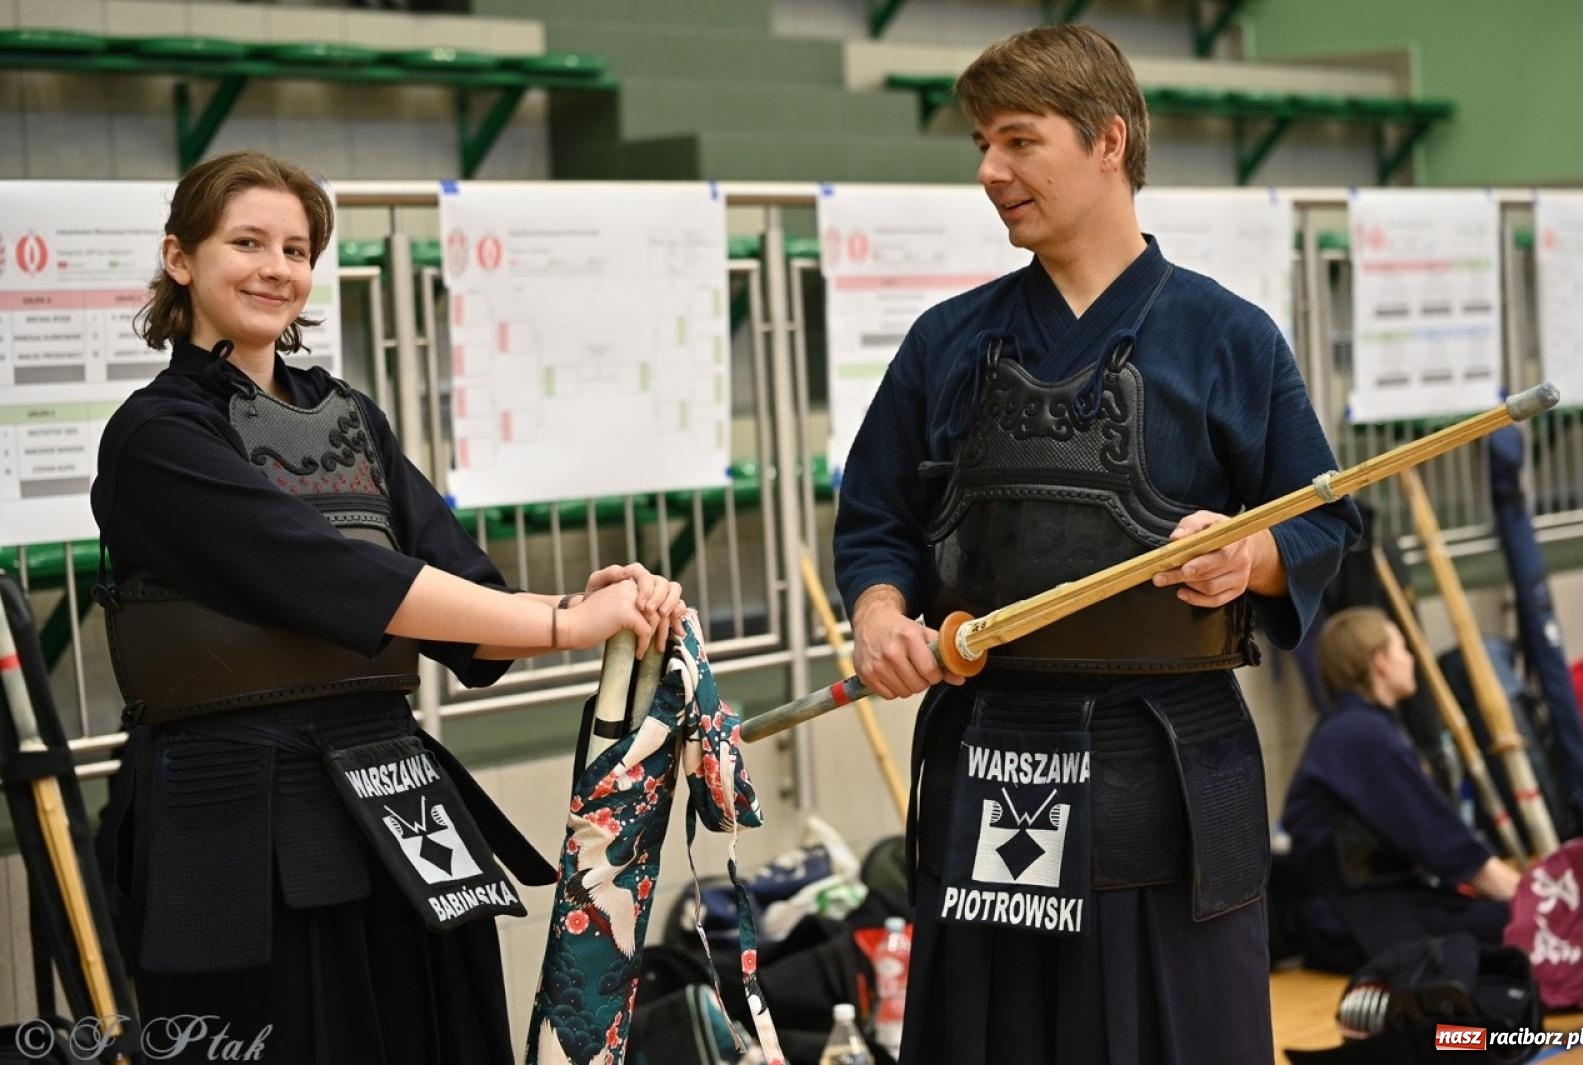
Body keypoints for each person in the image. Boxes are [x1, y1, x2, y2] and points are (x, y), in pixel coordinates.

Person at [831, 26, 1362, 1065]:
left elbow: (1324, 518)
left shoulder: (1228, 337)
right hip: (990, 755)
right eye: (982, 144)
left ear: (1107, 141)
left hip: (1167, 769)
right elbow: (876, 524)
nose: (990, 172)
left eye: (1018, 141)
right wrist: (880, 615)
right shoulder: (944, 341)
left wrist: (1244, 558)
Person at [91, 151, 685, 1064]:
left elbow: (470, 599)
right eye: (245, 242)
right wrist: (564, 622)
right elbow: (337, 577)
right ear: (181, 259)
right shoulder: (156, 436)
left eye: (295, 248)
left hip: (394, 794)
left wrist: (581, 599)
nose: (274, 267)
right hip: (234, 815)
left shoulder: (352, 418)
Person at [1282, 607, 1520, 973]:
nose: (1410, 659)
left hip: (1364, 906)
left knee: (1497, 916)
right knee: (1516, 925)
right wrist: (1537, 901)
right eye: (1402, 649)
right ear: (1380, 664)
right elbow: (1445, 845)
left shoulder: (1358, 727)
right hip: (1351, 922)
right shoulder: (1362, 735)